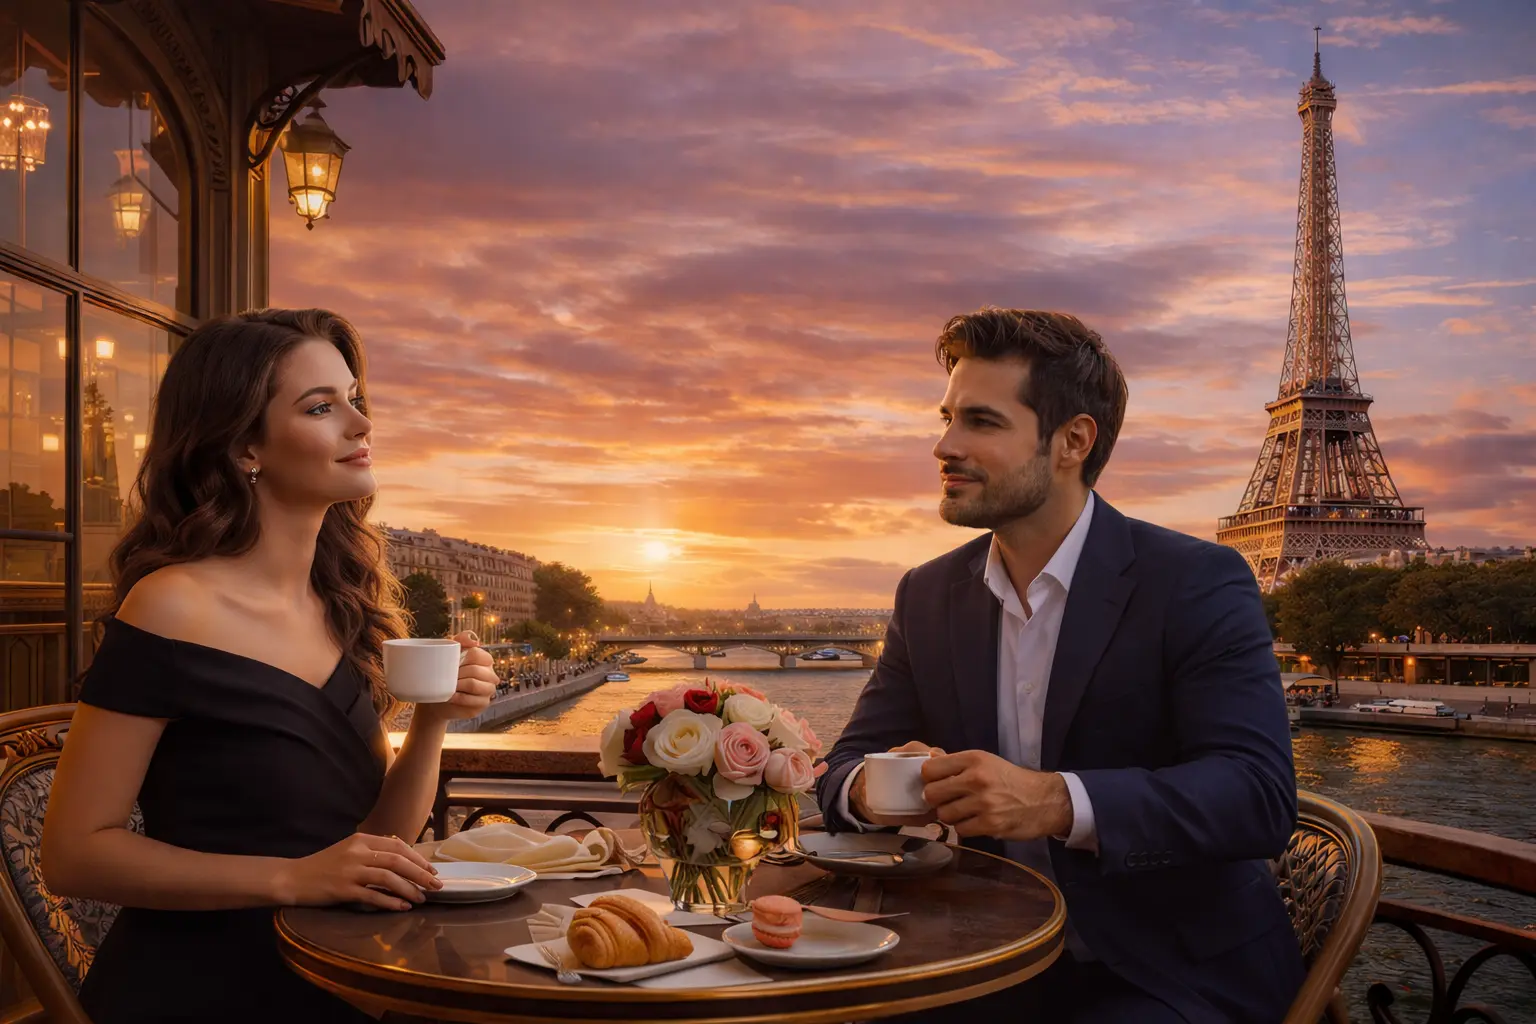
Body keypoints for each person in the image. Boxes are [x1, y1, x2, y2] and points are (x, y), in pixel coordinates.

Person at [816, 308, 1303, 1023]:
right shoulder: (926, 593)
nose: (943, 445)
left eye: (981, 422)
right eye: (947, 417)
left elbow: (1257, 795)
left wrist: (1050, 800)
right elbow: (844, 765)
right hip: (978, 961)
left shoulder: (1195, 580)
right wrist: (881, 790)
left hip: (1163, 972)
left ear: (1073, 440)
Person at [41, 309, 498, 1023]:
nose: (359, 424)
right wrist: (294, 877)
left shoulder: (339, 610)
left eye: (356, 399)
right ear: (242, 445)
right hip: (205, 988)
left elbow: (376, 847)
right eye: (321, 407)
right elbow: (73, 856)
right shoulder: (171, 605)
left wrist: (434, 719)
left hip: (335, 971)